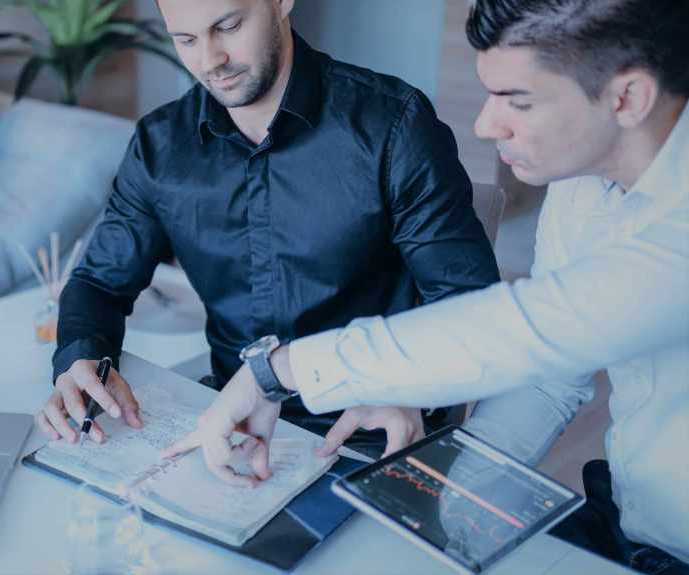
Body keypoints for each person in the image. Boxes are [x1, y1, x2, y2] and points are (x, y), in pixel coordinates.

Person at [165, 0, 688, 572]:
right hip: (629, 515)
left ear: (627, 97)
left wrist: (277, 371)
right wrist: (449, 497)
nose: (486, 126)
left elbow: (533, 330)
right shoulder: (586, 180)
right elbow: (551, 378)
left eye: (519, 100)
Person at [36, 0, 499, 459]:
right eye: (186, 40)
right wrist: (79, 361)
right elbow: (98, 283)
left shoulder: (392, 125)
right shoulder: (160, 146)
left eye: (229, 26)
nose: (210, 60)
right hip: (227, 419)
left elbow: (469, 307)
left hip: (370, 429)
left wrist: (409, 391)